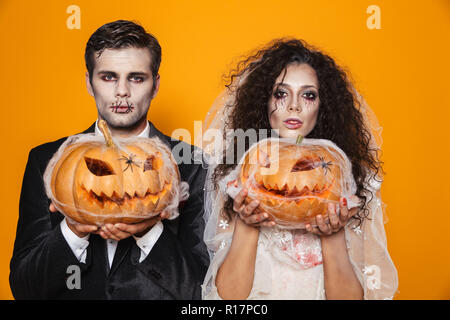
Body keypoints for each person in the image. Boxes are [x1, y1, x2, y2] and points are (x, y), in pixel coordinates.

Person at [10, 20, 209, 299]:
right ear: (89, 83)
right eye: (108, 77)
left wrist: (150, 231)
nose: (122, 91)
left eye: (136, 78)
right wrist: (73, 230)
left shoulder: (193, 165)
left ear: (155, 85)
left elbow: (202, 291)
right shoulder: (49, 162)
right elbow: (24, 289)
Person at [200, 39, 398, 300]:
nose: (294, 106)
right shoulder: (239, 178)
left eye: (308, 95)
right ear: (264, 101)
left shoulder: (353, 181)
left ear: (322, 105)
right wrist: (247, 225)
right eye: (281, 94)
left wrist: (333, 236)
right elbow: (228, 298)